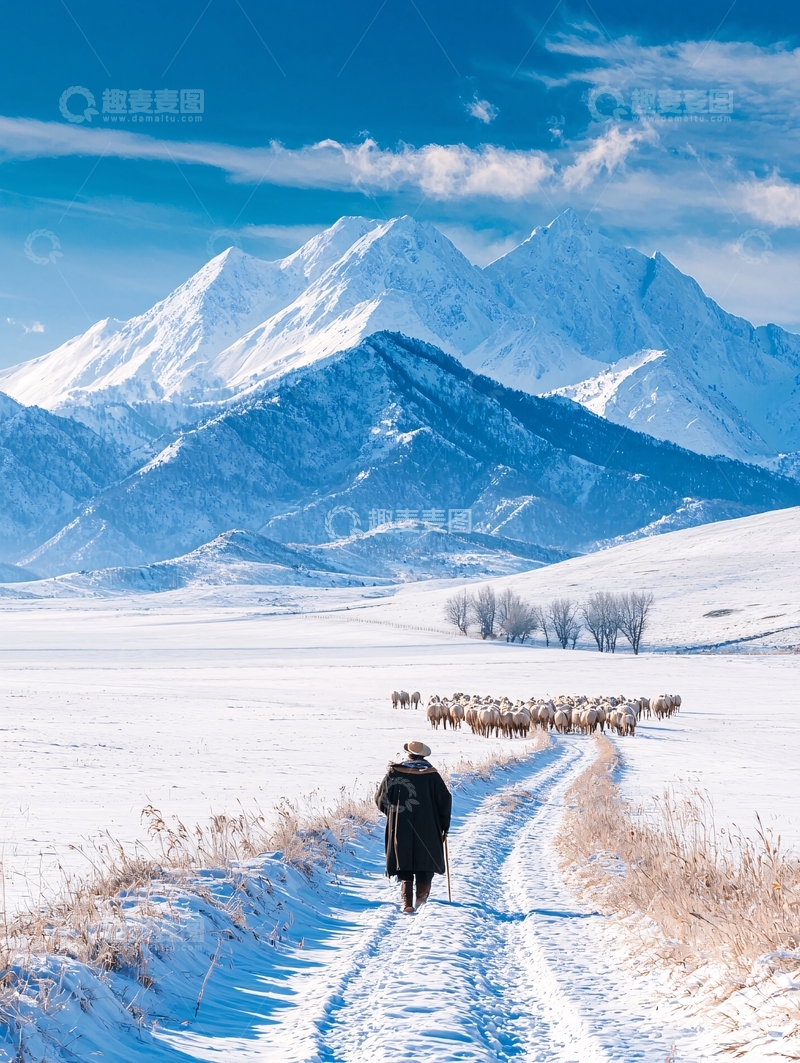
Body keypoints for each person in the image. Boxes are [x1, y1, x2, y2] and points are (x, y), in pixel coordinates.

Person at [375, 740, 452, 914]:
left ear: (408, 754)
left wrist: (394, 814)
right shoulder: (432, 775)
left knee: (405, 860)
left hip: (401, 825)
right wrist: (443, 825)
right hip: (428, 826)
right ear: (423, 755)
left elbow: (380, 799)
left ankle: (407, 903)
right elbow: (445, 801)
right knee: (425, 861)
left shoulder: (394, 772)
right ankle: (421, 900)